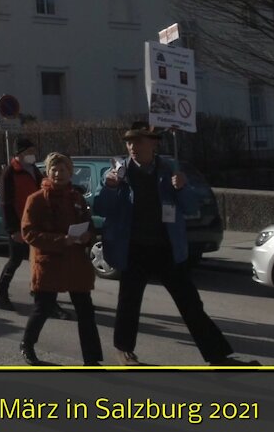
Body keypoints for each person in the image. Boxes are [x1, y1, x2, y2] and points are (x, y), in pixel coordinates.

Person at [95, 121, 256, 366]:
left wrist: (181, 189)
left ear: (153, 143)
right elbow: (102, 208)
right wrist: (109, 187)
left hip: (166, 248)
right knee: (129, 303)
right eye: (129, 142)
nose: (132, 147)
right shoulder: (119, 172)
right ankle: (124, 350)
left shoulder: (169, 169)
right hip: (134, 248)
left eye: (138, 141)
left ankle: (218, 356)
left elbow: (190, 208)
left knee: (190, 303)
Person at [19, 152, 102, 366]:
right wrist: (60, 240)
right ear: (48, 172)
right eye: (54, 170)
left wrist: (86, 236)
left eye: (63, 169)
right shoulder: (36, 199)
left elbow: (89, 225)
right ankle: (27, 344)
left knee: (85, 311)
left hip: (76, 264)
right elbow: (28, 233)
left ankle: (92, 360)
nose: (58, 174)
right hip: (49, 263)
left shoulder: (76, 197)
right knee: (42, 308)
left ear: (70, 172)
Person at [0, 138, 42, 311]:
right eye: (29, 152)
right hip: (19, 225)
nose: (33, 155)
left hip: (35, 222)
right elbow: (5, 203)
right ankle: (2, 294)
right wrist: (13, 229)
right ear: (20, 153)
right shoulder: (10, 173)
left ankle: (37, 290)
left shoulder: (34, 170)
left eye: (33, 151)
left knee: (36, 259)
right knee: (15, 260)